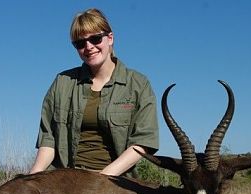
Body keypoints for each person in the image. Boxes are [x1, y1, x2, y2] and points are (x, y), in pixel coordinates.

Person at [30, 8, 159, 176]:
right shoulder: (62, 82)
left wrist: (103, 177)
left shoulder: (138, 84)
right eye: (80, 43)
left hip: (115, 180)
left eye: (95, 39)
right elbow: (48, 140)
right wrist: (32, 176)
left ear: (110, 38)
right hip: (66, 178)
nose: (89, 47)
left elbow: (142, 142)